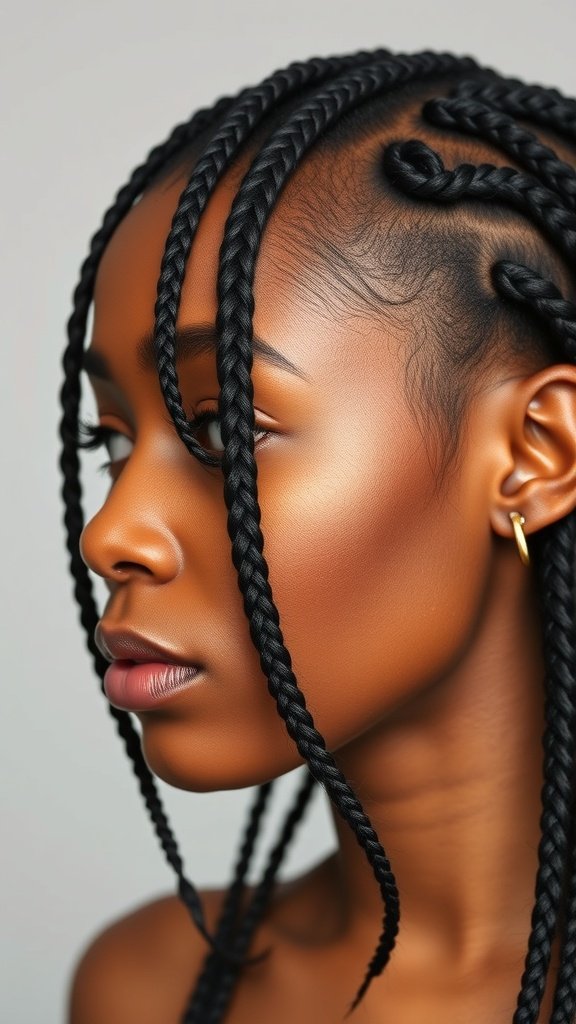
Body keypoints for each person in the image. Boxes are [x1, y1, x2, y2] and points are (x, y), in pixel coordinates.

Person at [62, 46, 576, 1023]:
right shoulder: (150, 987)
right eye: (110, 439)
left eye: (223, 430)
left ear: (533, 454)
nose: (111, 532)